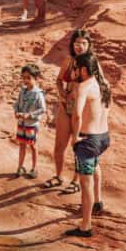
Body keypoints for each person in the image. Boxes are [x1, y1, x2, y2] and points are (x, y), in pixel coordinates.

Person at [64, 52, 111, 238]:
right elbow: (107, 108)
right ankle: (98, 202)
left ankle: (85, 226)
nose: (74, 70)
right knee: (96, 165)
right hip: (103, 137)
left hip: (87, 140)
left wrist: (75, 137)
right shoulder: (105, 84)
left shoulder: (83, 87)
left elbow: (77, 115)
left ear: (84, 69)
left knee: (86, 184)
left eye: (76, 67)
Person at [44, 29, 93, 194]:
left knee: (78, 146)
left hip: (83, 109)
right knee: (59, 145)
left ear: (89, 45)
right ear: (72, 44)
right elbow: (59, 80)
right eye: (77, 43)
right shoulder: (68, 60)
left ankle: (76, 181)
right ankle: (58, 176)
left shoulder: (92, 63)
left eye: (84, 43)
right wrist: (61, 93)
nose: (80, 46)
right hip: (66, 106)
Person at [13, 63, 46, 179]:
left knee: (33, 145)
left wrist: (30, 115)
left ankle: (34, 168)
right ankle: (20, 167)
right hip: (22, 123)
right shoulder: (22, 91)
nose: (25, 80)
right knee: (22, 144)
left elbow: (42, 109)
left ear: (36, 78)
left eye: (28, 78)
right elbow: (17, 103)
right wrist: (16, 111)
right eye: (23, 77)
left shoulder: (38, 93)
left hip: (31, 124)